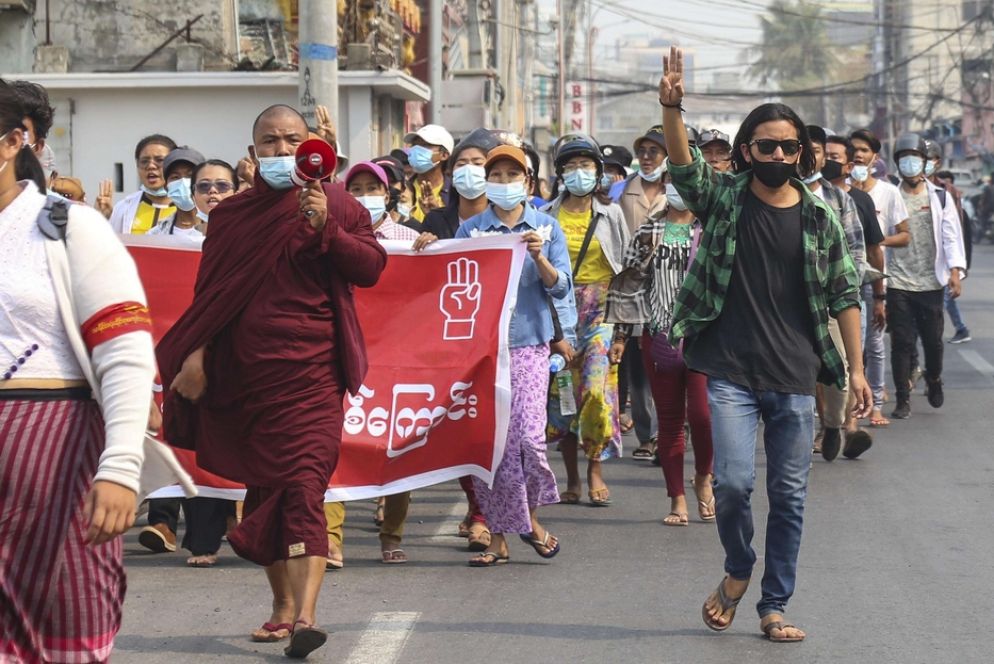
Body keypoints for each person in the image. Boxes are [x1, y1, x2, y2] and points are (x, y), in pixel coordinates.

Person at [156, 104, 387, 657]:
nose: (282, 152)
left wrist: (326, 227)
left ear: (309, 144)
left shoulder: (337, 203)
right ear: (253, 146)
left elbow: (372, 268)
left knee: (305, 484)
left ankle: (306, 616)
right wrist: (195, 357)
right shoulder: (234, 215)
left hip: (313, 374)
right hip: (248, 376)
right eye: (271, 141)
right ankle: (282, 609)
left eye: (291, 141)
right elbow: (210, 296)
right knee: (265, 490)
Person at [659, 47, 870, 642]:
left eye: (788, 147)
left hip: (795, 377)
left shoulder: (821, 217)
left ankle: (773, 605)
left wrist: (855, 370)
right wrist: (672, 107)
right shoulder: (724, 198)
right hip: (728, 371)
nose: (777, 155)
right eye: (765, 145)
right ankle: (737, 569)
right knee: (730, 484)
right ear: (748, 149)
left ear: (801, 153)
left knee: (789, 495)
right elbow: (683, 167)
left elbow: (844, 293)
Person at [0, 80, 156, 661]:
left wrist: (119, 467)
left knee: (67, 615)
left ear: (15, 142)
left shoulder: (67, 225)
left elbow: (125, 350)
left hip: (57, 458)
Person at [420, 144, 571, 566]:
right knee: (492, 446)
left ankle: (530, 520)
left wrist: (539, 257)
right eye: (496, 175)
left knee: (528, 440)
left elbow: (561, 288)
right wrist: (430, 247)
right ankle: (502, 538)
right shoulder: (471, 231)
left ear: (527, 181)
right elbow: (452, 280)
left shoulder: (546, 226)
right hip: (484, 350)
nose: (504, 183)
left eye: (512, 175)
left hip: (528, 345)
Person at [609, 173, 715, 526]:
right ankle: (677, 500)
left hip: (702, 339)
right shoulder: (648, 232)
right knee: (669, 422)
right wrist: (622, 336)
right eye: (672, 182)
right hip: (657, 336)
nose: (678, 189)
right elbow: (627, 285)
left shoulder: (712, 230)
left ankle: (703, 477)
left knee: (701, 416)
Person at [542, 134, 629, 506]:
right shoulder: (545, 216)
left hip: (600, 315)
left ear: (599, 172)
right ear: (561, 173)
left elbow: (627, 273)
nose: (579, 173)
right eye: (571, 166)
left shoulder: (612, 214)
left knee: (595, 393)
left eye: (586, 165)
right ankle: (573, 479)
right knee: (564, 402)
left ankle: (596, 468)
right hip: (556, 318)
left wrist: (623, 332)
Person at [802, 125, 871, 462]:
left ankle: (832, 425)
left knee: (838, 369)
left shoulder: (840, 199)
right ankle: (798, 437)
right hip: (789, 304)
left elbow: (857, 253)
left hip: (830, 303)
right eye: (807, 149)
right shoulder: (778, 192)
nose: (813, 156)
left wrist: (842, 289)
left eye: (818, 150)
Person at [887, 133, 967, 420]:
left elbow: (951, 237)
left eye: (916, 158)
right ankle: (903, 398)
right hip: (898, 281)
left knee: (933, 343)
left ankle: (933, 378)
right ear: (898, 163)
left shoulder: (940, 197)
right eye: (904, 158)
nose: (910, 164)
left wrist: (955, 273)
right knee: (902, 343)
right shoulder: (891, 195)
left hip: (931, 282)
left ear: (924, 162)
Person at [611, 125, 668, 458]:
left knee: (668, 360)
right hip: (632, 285)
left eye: (654, 152)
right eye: (642, 152)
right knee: (638, 364)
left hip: (669, 286)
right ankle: (648, 436)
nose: (646, 158)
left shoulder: (676, 190)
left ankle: (671, 430)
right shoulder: (621, 191)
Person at [849, 128, 910, 427]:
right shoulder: (838, 190)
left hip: (874, 278)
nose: (858, 154)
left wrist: (876, 243)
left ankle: (874, 405)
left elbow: (905, 234)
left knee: (874, 344)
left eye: (863, 149)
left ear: (874, 157)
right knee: (849, 349)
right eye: (854, 150)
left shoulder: (888, 192)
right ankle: (844, 410)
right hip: (843, 281)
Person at [925, 142, 972, 344]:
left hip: (942, 259)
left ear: (937, 162)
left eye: (928, 158)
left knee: (938, 306)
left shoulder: (946, 192)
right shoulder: (900, 189)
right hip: (916, 264)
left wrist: (958, 267)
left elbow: (956, 231)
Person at [108, 134, 178, 234]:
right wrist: (101, 216)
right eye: (144, 161)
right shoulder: (123, 208)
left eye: (159, 160)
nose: (151, 166)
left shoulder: (193, 209)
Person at [145, 146, 208, 245]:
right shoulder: (155, 235)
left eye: (190, 176)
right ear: (166, 186)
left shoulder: (220, 231)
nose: (183, 182)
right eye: (175, 177)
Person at [404, 124, 454, 222]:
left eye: (425, 145)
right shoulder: (403, 190)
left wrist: (437, 215)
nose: (417, 151)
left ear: (443, 155)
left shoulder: (454, 193)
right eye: (414, 145)